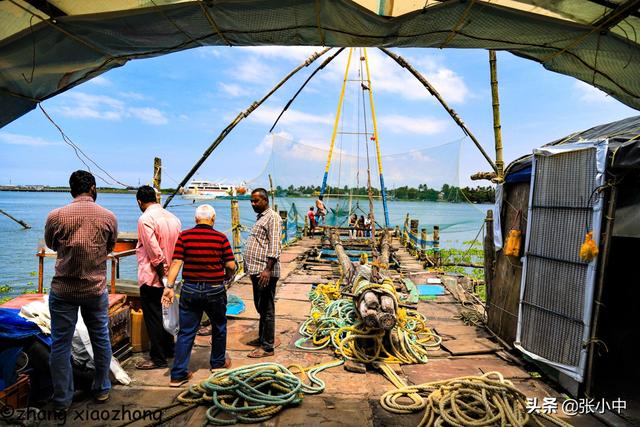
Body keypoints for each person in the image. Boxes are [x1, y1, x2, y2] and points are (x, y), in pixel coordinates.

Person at [44, 170, 117, 410]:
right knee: (101, 339)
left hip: (63, 289)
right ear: (93, 188)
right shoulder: (108, 216)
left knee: (60, 345)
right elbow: (110, 246)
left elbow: (51, 244)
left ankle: (62, 399)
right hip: (95, 289)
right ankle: (102, 388)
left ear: (71, 190)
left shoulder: (56, 216)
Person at [162, 204, 236, 387]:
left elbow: (177, 261)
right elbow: (231, 266)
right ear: (213, 219)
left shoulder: (185, 236)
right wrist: (226, 277)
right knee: (219, 326)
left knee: (186, 331)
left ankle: (178, 374)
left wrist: (169, 287)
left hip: (190, 289)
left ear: (196, 219)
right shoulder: (221, 238)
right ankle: (217, 364)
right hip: (215, 289)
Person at [134, 185, 181, 370]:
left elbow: (154, 251)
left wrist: (162, 274)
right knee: (167, 313)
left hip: (153, 276)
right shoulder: (174, 218)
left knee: (154, 317)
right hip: (172, 275)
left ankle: (158, 358)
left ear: (140, 201)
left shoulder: (145, 219)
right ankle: (170, 349)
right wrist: (169, 277)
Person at [244, 188, 282, 358]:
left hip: (264, 271)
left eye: (256, 201)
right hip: (256, 270)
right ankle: (262, 338)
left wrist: (267, 269)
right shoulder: (262, 218)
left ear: (265, 200)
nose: (253, 204)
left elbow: (274, 246)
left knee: (266, 309)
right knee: (260, 307)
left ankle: (267, 347)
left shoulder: (272, 217)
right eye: (251, 201)